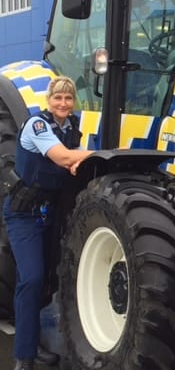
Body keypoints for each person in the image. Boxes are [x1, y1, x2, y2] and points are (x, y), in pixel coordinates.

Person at [4, 77, 93, 370]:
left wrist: (80, 159)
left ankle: (36, 344)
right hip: (24, 214)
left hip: (50, 213)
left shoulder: (72, 128)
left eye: (68, 99)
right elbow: (64, 157)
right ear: (48, 100)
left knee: (46, 281)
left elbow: (73, 161)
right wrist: (92, 156)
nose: (63, 104)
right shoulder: (37, 126)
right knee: (31, 279)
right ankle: (23, 356)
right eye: (58, 99)